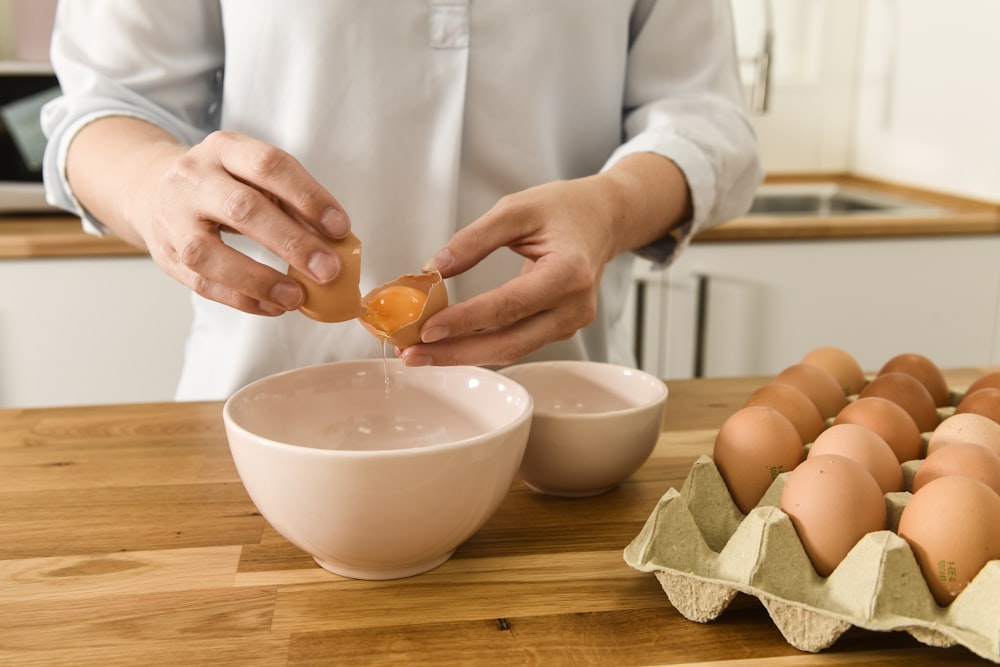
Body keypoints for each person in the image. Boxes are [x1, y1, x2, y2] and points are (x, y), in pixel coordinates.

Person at [41, 1, 762, 401]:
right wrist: (156, 186)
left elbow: (704, 112)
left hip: (555, 425)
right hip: (263, 408)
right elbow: (102, 107)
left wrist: (612, 206)